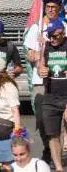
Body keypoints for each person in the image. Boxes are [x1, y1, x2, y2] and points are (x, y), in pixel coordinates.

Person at [37, 18, 67, 172]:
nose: (52, 39)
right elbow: (41, 68)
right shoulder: (47, 46)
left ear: (62, 33)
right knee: (52, 135)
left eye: (54, 36)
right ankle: (59, 168)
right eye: (49, 36)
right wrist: (40, 70)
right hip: (50, 96)